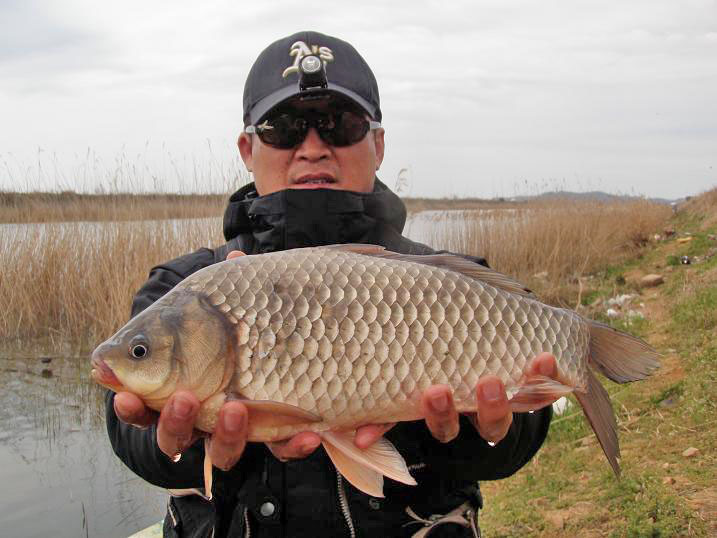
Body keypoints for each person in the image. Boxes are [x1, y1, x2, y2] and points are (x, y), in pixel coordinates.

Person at [105, 30, 558, 537]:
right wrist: (179, 445)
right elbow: (127, 427)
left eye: (340, 125)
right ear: (247, 148)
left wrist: (476, 435)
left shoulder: (446, 282)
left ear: (378, 144)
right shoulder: (185, 287)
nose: (313, 148)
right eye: (284, 128)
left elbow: (520, 432)